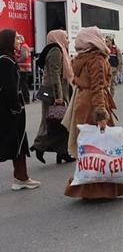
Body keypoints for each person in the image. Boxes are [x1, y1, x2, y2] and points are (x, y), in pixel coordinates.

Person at [63, 27, 123, 199]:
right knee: (102, 147)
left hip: (82, 103)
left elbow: (79, 81)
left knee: (87, 146)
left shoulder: (80, 59)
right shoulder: (97, 60)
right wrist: (101, 115)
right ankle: (101, 189)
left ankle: (86, 185)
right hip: (94, 105)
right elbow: (98, 88)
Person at [0, 29, 41, 191]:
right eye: (16, 38)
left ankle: (21, 177)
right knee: (12, 142)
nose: (19, 41)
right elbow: (9, 88)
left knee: (19, 144)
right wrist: (15, 108)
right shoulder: (6, 62)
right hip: (9, 111)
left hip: (9, 110)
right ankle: (21, 178)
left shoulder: (8, 59)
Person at [30, 30, 75, 165]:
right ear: (58, 38)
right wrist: (58, 97)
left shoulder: (59, 50)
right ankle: (41, 146)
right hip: (53, 93)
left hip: (57, 92)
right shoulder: (55, 51)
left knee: (59, 123)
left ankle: (62, 152)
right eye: (66, 37)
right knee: (57, 123)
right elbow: (55, 75)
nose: (68, 40)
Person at [15, 34, 32, 104]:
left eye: (18, 39)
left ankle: (26, 99)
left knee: (23, 85)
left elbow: (24, 56)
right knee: (23, 84)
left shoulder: (23, 46)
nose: (17, 40)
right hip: (24, 68)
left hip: (23, 69)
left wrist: (16, 61)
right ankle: (25, 99)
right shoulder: (23, 46)